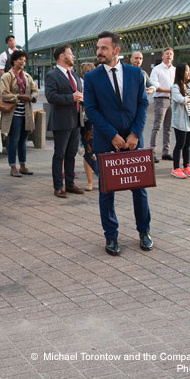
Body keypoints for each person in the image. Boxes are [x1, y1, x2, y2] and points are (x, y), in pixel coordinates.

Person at [83, 31, 152, 256]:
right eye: (98, 48)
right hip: (106, 140)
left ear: (116, 50)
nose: (99, 52)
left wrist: (134, 134)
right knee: (107, 191)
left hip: (133, 142)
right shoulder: (93, 77)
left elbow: (143, 104)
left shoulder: (135, 74)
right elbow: (91, 109)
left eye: (103, 48)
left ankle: (144, 231)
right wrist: (112, 134)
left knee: (139, 190)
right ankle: (111, 236)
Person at [45, 45, 84, 198]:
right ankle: (58, 187)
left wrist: (81, 99)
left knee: (71, 154)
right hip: (62, 120)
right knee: (59, 154)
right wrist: (71, 98)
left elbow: (78, 94)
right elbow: (51, 97)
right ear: (62, 56)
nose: (73, 56)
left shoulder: (74, 75)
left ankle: (70, 183)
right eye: (70, 53)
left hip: (76, 119)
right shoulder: (52, 75)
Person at [0, 49, 39, 177]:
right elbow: (4, 94)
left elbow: (34, 89)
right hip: (13, 113)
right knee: (13, 140)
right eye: (20, 59)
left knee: (23, 140)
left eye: (24, 60)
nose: (22, 62)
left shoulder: (27, 76)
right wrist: (18, 97)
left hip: (26, 113)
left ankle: (23, 165)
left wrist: (32, 97)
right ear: (14, 61)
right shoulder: (7, 76)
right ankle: (13, 166)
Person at [170, 63, 190, 179]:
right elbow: (180, 99)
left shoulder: (189, 86)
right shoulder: (175, 87)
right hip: (180, 120)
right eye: (186, 71)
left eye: (189, 71)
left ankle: (186, 166)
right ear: (180, 72)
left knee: (188, 145)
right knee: (180, 144)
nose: (188, 73)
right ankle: (176, 168)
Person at [149, 47, 176, 162]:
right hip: (160, 99)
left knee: (168, 127)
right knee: (157, 126)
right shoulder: (157, 69)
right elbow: (155, 86)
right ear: (162, 56)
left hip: (172, 100)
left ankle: (166, 152)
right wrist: (170, 90)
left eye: (170, 54)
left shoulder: (174, 70)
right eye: (167, 54)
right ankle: (152, 151)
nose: (169, 55)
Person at [79, 62, 98, 191]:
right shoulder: (79, 85)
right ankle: (90, 181)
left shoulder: (99, 85)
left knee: (99, 151)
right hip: (85, 123)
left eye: (90, 72)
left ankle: (101, 178)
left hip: (97, 122)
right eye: (85, 73)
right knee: (87, 151)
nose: (87, 75)